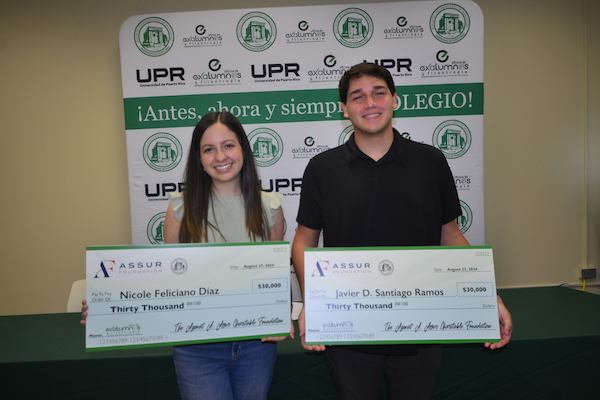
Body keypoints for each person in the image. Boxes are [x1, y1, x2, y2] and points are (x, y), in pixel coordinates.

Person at [291, 62, 513, 400]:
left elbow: (450, 236)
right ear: (344, 109)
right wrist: (313, 302)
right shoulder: (322, 168)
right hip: (349, 325)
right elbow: (304, 240)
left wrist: (488, 296)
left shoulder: (431, 161)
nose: (370, 103)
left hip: (420, 324)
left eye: (379, 93)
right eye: (358, 96)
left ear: (395, 100)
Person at [83, 111, 290, 400]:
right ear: (199, 158)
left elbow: (274, 275)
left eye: (228, 145)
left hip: (256, 347)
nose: (220, 156)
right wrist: (108, 304)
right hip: (197, 348)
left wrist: (278, 315)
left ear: (243, 147)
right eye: (209, 149)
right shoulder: (180, 208)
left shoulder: (270, 207)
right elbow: (169, 281)